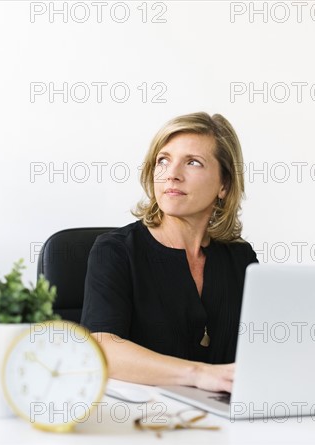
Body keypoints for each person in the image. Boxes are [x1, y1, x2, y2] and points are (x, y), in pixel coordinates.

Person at [80, 112, 258, 393]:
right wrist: (199, 374)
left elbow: (262, 347)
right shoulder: (115, 251)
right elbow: (102, 346)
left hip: (225, 417)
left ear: (224, 185)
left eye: (193, 162)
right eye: (163, 160)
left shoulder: (240, 258)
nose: (172, 174)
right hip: (145, 416)